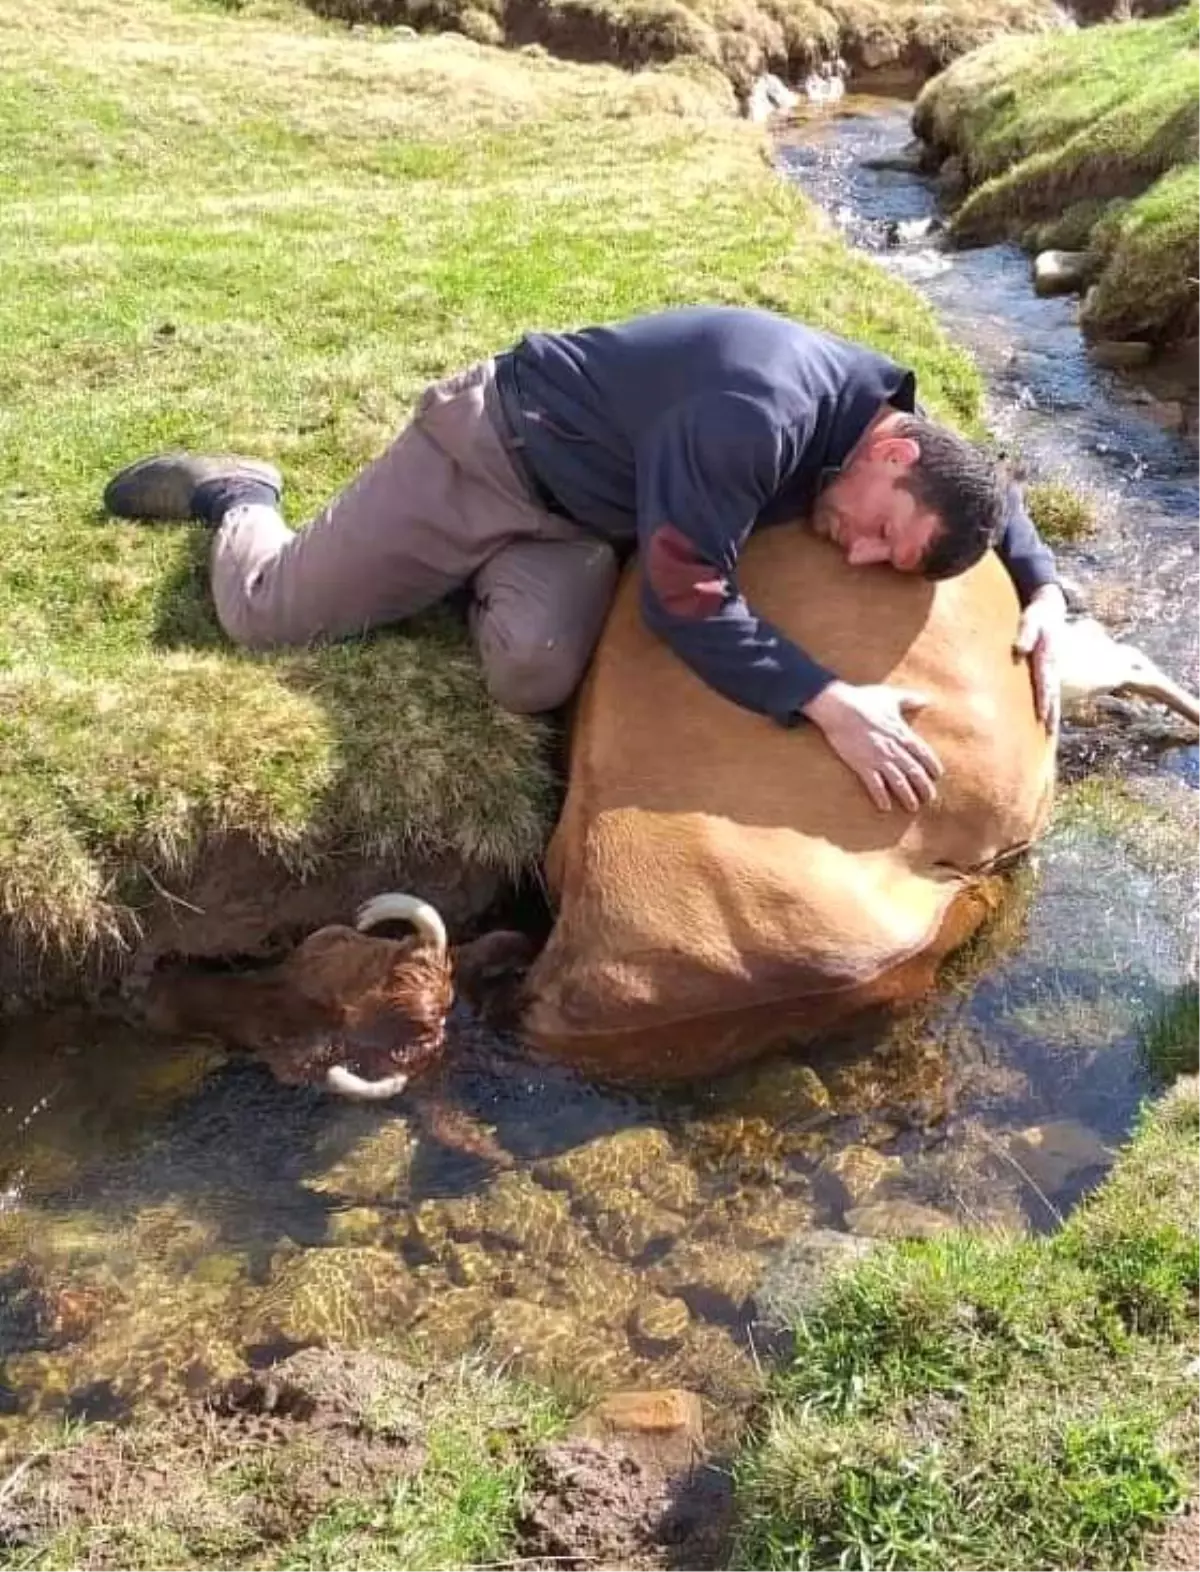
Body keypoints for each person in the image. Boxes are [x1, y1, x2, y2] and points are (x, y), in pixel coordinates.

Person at [104, 305, 1066, 813]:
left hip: (575, 517)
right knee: (264, 616)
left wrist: (1046, 587)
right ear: (892, 454)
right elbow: (684, 601)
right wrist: (826, 699)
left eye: (881, 559)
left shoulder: (890, 434)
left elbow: (987, 489)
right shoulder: (757, 415)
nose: (856, 551)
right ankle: (239, 494)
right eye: (879, 532)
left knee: (530, 673)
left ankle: (443, 575)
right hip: (488, 453)